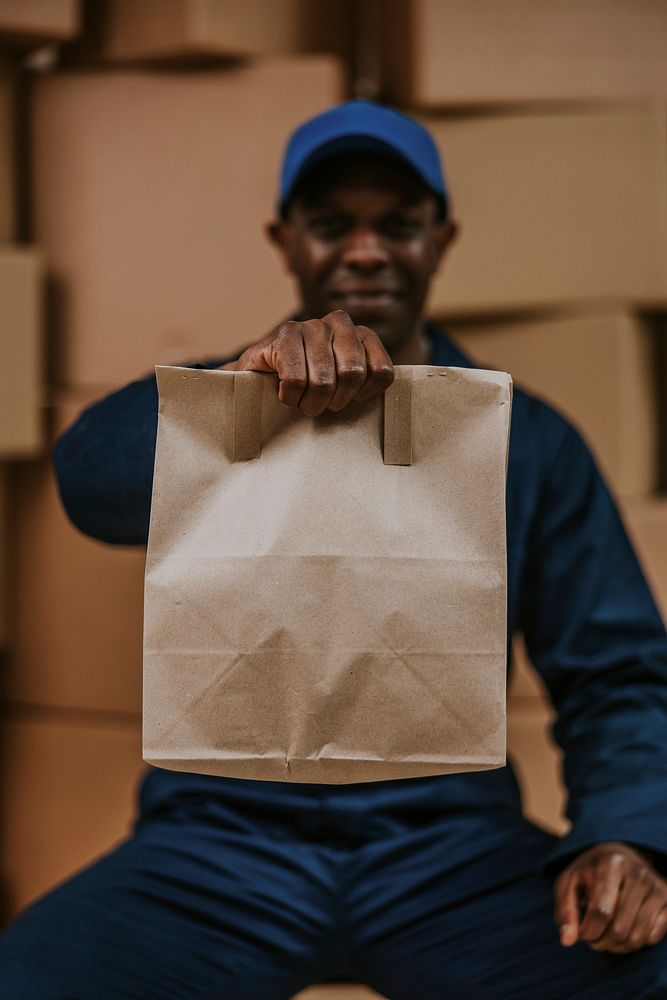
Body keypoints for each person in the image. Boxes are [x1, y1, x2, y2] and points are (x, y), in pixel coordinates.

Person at [1, 100, 666, 1000]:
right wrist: (237, 389)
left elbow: (616, 671)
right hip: (218, 848)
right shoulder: (223, 401)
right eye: (329, 225)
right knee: (32, 977)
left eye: (397, 223)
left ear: (442, 238)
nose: (363, 251)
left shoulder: (525, 440)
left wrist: (625, 836)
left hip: (450, 853)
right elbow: (90, 487)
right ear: (285, 242)